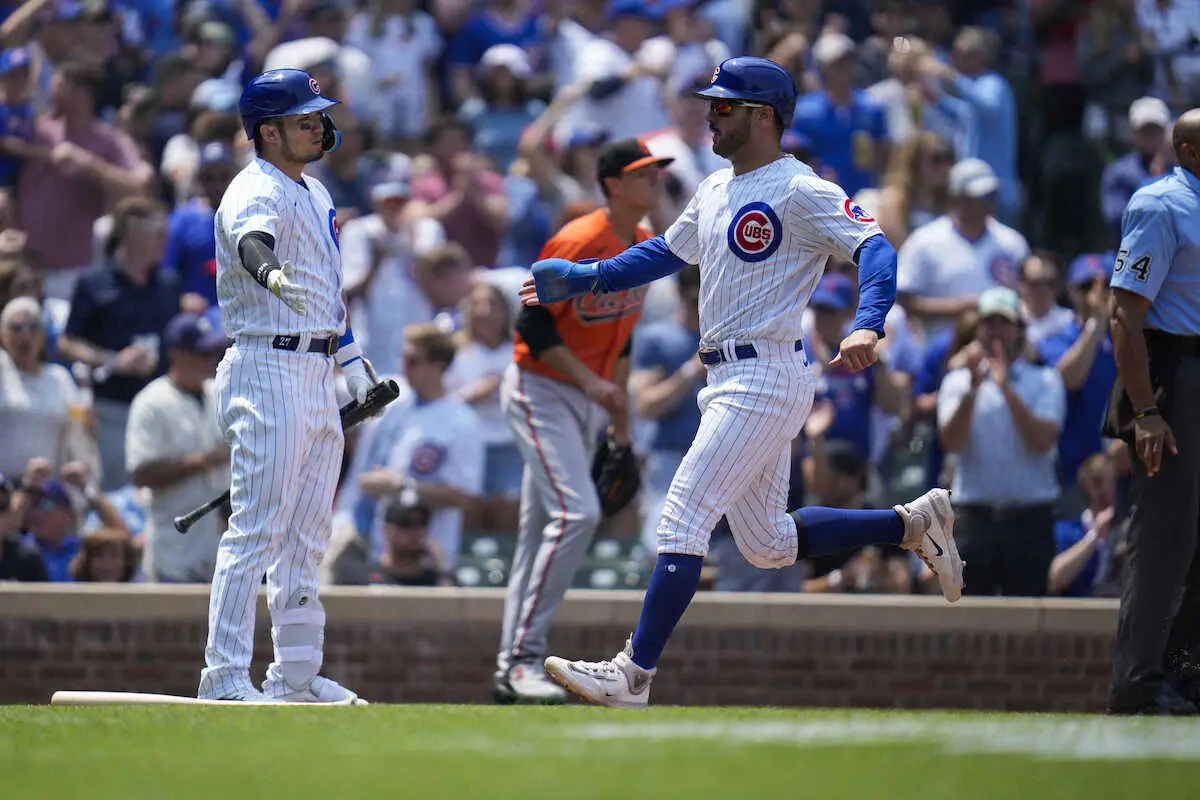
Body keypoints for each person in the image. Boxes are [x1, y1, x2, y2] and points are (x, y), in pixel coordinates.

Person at [522, 57, 963, 709]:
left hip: (765, 370)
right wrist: (590, 277)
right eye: (712, 103)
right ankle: (908, 523)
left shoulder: (799, 186)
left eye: (724, 105)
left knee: (682, 516)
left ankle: (632, 675)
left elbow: (875, 247)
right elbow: (666, 252)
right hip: (730, 373)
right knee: (767, 544)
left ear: (763, 116)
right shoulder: (715, 187)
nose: (711, 114)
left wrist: (868, 323)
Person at [198, 69, 378, 705]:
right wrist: (269, 272)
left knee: (307, 538)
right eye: (305, 119)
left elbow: (328, 290)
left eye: (318, 116)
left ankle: (295, 678)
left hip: (317, 369)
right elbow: (253, 242)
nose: (320, 127)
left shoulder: (316, 190)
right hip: (266, 364)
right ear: (268, 132)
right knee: (257, 529)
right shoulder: (255, 186)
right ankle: (223, 678)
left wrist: (351, 360)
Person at [494, 137, 673, 706]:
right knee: (578, 513)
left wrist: (619, 420)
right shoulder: (577, 239)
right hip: (541, 389)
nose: (656, 181)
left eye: (658, 172)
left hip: (587, 399)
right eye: (644, 173)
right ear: (613, 184)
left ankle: (509, 668)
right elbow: (531, 325)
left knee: (536, 540)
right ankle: (523, 659)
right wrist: (593, 386)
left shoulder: (642, 243)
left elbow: (623, 337)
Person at [1105, 108, 1200, 716]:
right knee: (1165, 536)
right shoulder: (1161, 205)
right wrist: (1145, 411)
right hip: (1174, 376)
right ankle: (1138, 684)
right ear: (1189, 151)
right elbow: (1125, 315)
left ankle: (1185, 675)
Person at [937, 287, 1066, 596]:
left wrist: (1006, 388)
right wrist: (972, 389)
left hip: (1029, 520)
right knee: (970, 614)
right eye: (989, 323)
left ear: (1019, 329)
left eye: (1004, 323)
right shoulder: (956, 382)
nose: (996, 331)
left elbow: (1042, 440)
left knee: (1028, 615)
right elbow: (950, 442)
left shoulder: (1045, 381)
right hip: (975, 518)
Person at [125, 313, 229, 583]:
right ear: (175, 354)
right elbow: (142, 473)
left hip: (219, 550)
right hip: (173, 550)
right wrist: (205, 460)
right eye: (200, 353)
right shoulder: (151, 401)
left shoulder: (220, 393)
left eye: (212, 352)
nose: (209, 359)